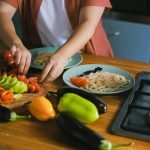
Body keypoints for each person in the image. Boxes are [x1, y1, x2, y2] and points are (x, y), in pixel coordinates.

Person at [0, 0, 113, 82]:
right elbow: (2, 12)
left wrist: (61, 56)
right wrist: (17, 44)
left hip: (87, 59)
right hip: (35, 62)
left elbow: (88, 23)